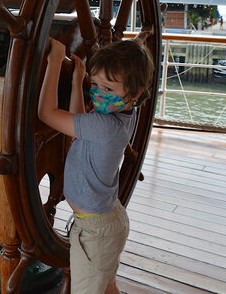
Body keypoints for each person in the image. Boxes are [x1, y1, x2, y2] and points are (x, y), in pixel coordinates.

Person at [38, 37, 154, 294]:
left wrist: (55, 61)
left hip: (96, 232)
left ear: (134, 94)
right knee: (107, 286)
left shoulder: (105, 126)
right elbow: (79, 127)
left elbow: (46, 113)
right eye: (96, 84)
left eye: (108, 89)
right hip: (107, 222)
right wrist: (79, 82)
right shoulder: (120, 115)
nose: (99, 93)